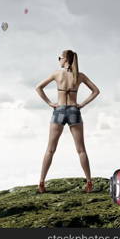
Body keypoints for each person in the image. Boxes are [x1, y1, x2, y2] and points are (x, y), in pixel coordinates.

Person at [34, 50, 100, 193]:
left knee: (50, 149)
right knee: (81, 150)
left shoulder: (57, 74)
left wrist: (50, 103)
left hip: (59, 111)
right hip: (73, 111)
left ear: (66, 60)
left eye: (60, 57)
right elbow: (96, 91)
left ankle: (41, 183)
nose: (59, 59)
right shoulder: (80, 76)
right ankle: (89, 183)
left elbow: (38, 87)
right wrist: (82, 104)